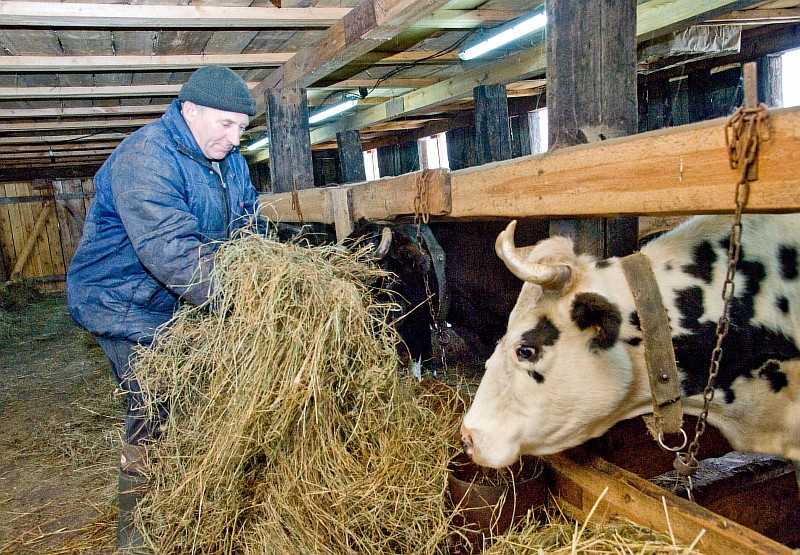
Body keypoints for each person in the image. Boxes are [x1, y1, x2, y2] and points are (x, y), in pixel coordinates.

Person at [66, 65, 260, 553]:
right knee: (157, 404)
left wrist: (268, 270)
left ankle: (197, 504)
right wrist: (254, 303)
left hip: (180, 299)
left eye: (242, 127)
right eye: (226, 124)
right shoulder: (146, 156)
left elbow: (248, 225)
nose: (235, 139)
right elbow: (171, 252)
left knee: (204, 394)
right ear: (189, 110)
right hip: (122, 302)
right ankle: (138, 535)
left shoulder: (228, 159)